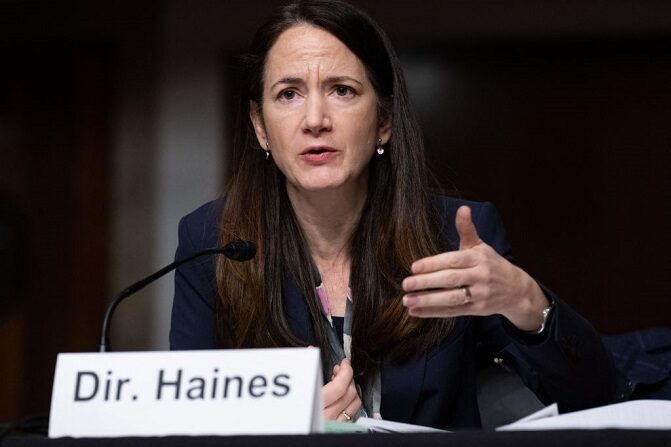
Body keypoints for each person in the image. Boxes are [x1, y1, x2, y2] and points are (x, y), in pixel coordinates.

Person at [170, 0, 615, 429]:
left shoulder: (451, 236)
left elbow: (595, 394)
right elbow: (187, 422)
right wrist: (286, 426)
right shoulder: (211, 241)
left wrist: (526, 301)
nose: (315, 119)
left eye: (342, 90)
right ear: (261, 126)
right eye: (289, 94)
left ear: (383, 120)